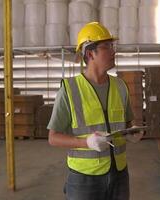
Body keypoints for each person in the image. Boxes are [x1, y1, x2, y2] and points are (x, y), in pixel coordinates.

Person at [47, 22, 143, 200]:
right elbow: (53, 138)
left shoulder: (120, 86)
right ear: (90, 53)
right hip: (84, 179)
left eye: (113, 46)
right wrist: (87, 143)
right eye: (107, 46)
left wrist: (132, 132)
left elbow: (128, 123)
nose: (114, 51)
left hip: (119, 174)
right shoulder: (70, 89)